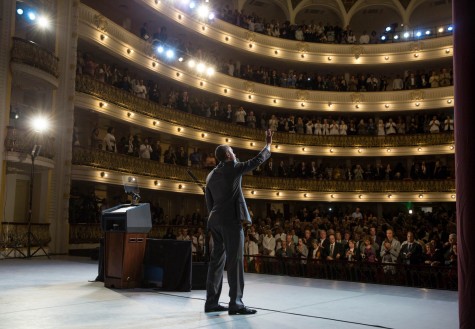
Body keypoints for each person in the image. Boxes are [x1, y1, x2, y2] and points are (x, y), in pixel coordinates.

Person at [204, 129, 272, 315]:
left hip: (215, 220)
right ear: (227, 155)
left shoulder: (210, 175)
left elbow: (209, 202)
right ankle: (236, 303)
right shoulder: (232, 167)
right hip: (230, 221)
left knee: (216, 262)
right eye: (232, 151)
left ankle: (211, 303)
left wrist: (215, 219)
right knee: (235, 262)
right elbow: (257, 160)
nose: (235, 153)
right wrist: (268, 145)